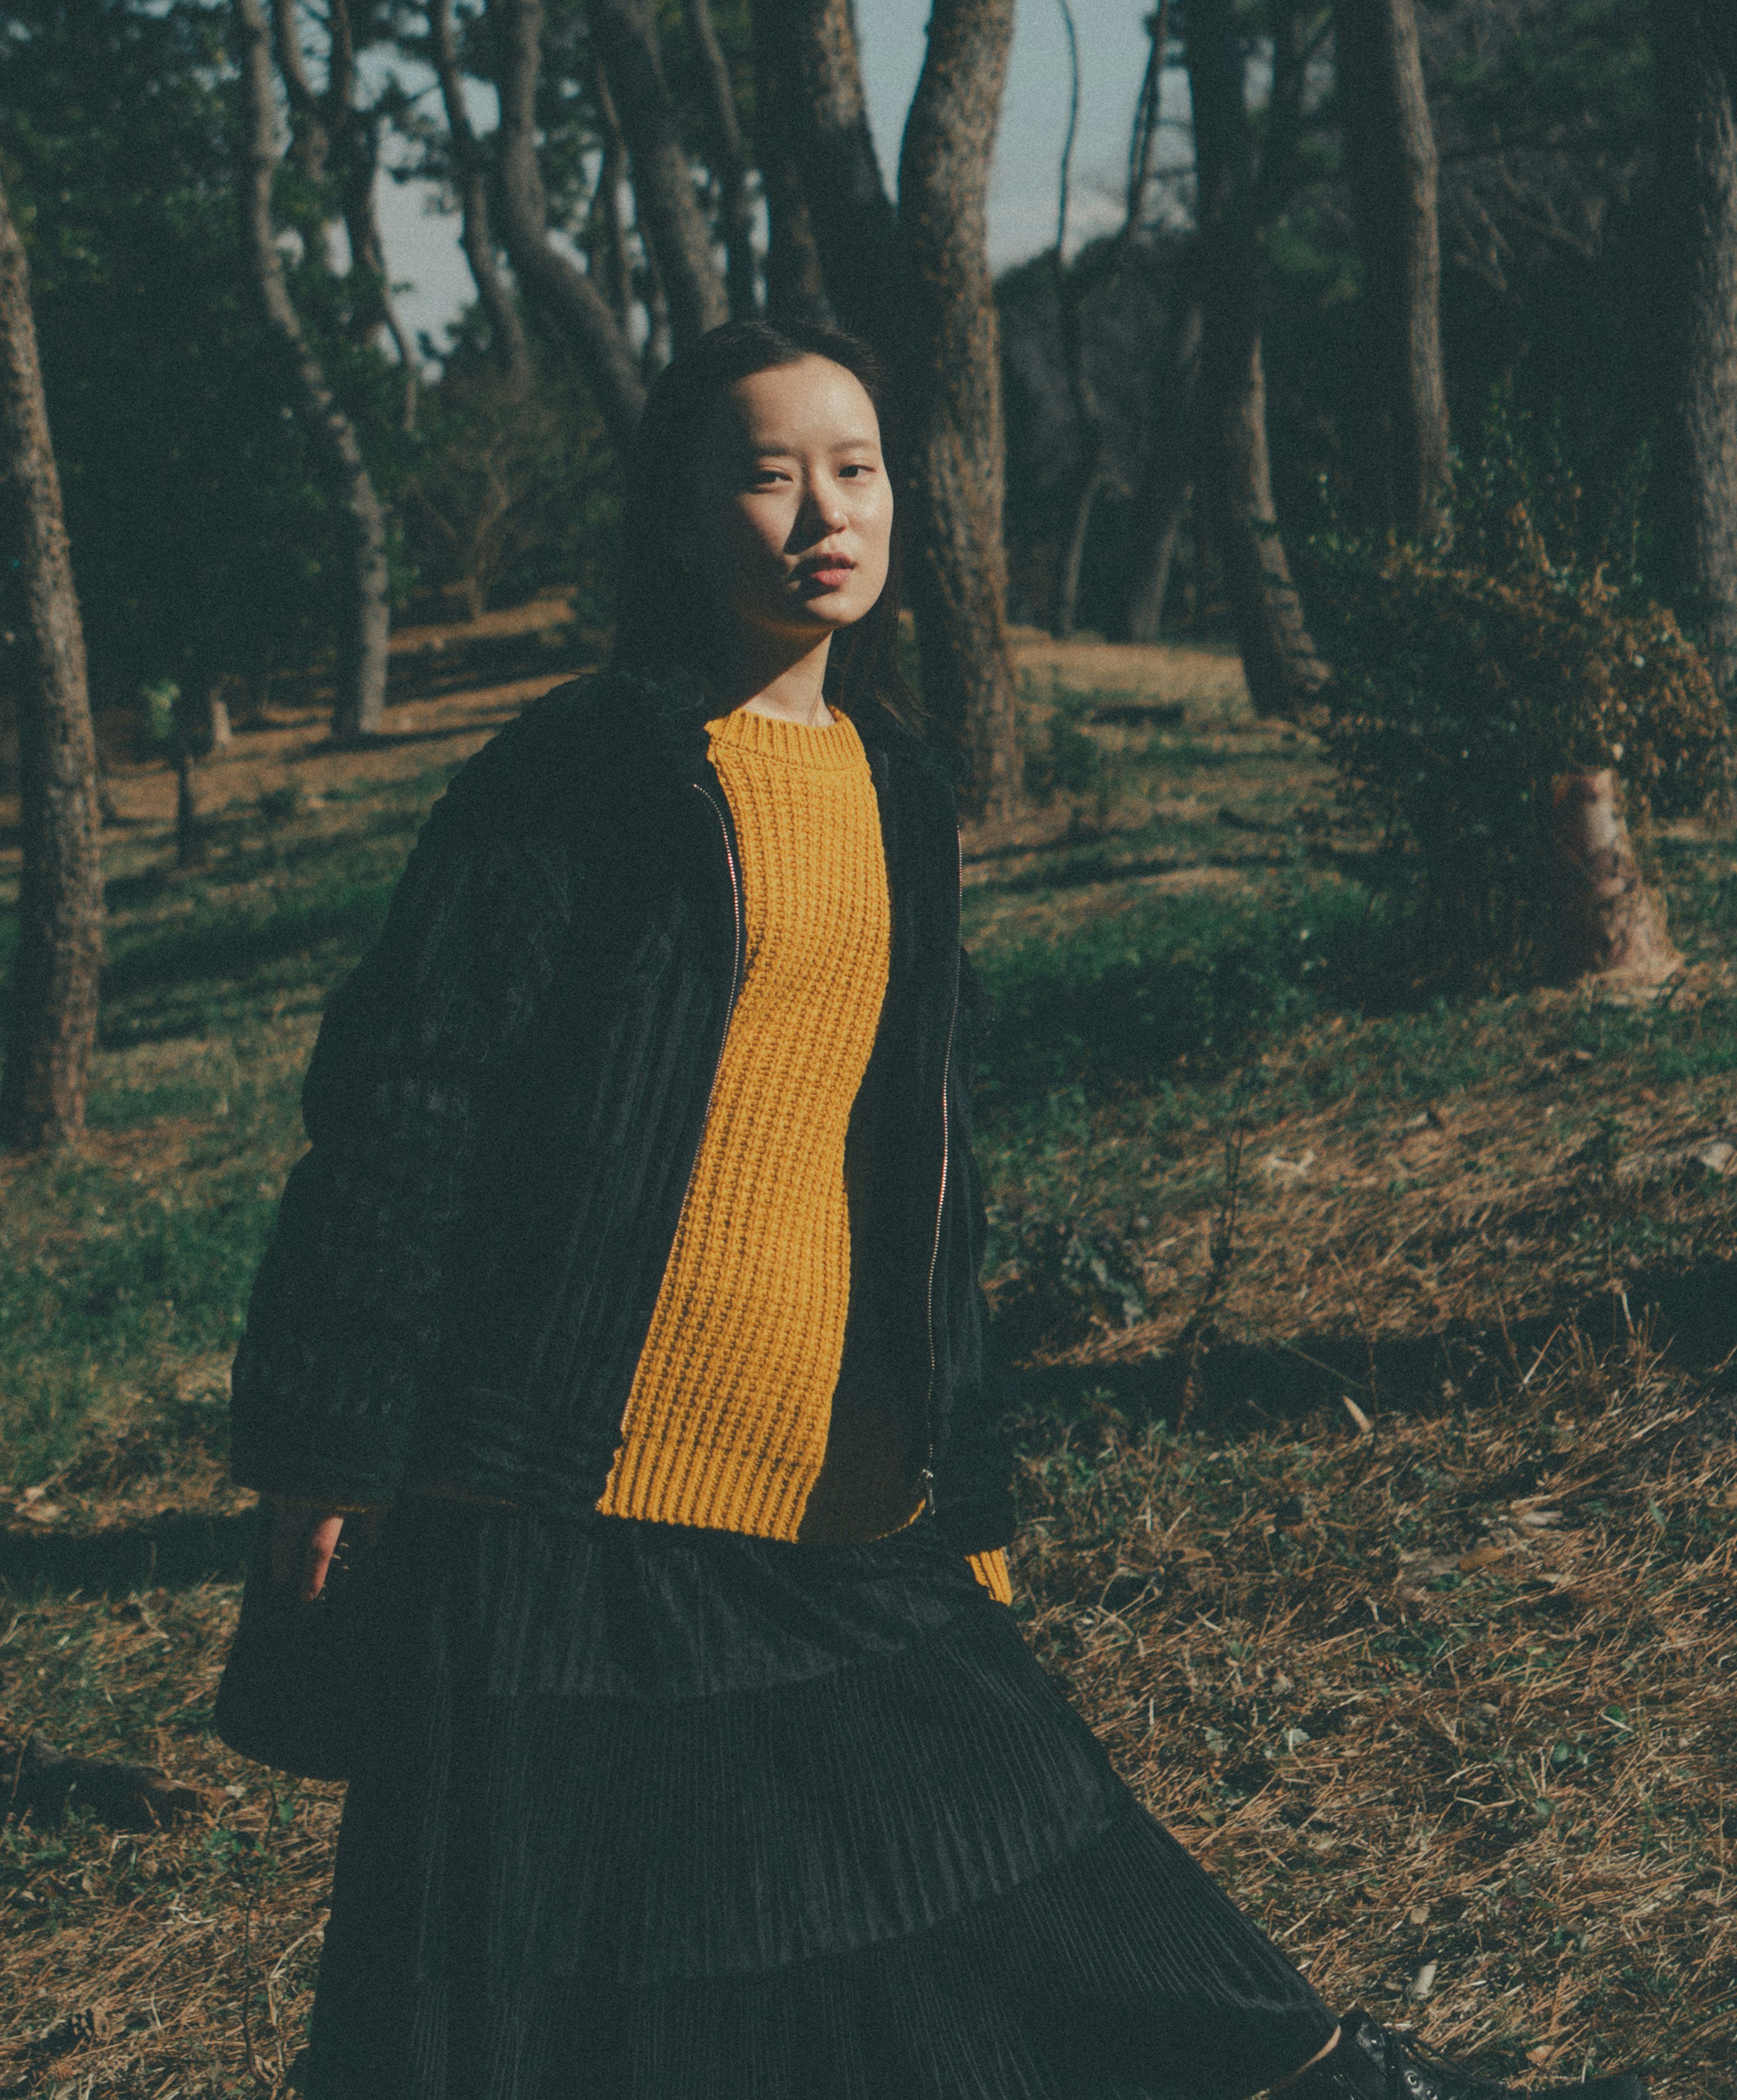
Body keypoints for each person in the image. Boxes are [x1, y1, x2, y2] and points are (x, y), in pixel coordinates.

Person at [229, 319, 1646, 2100]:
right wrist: (332, 1441)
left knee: (1038, 1852)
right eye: (768, 473)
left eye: (859, 466)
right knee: (520, 1990)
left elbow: (922, 1158)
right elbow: (407, 1106)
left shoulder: (893, 780)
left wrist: (955, 1459)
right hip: (558, 1494)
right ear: (676, 521)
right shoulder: (580, 774)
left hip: (832, 1475)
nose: (827, 510)